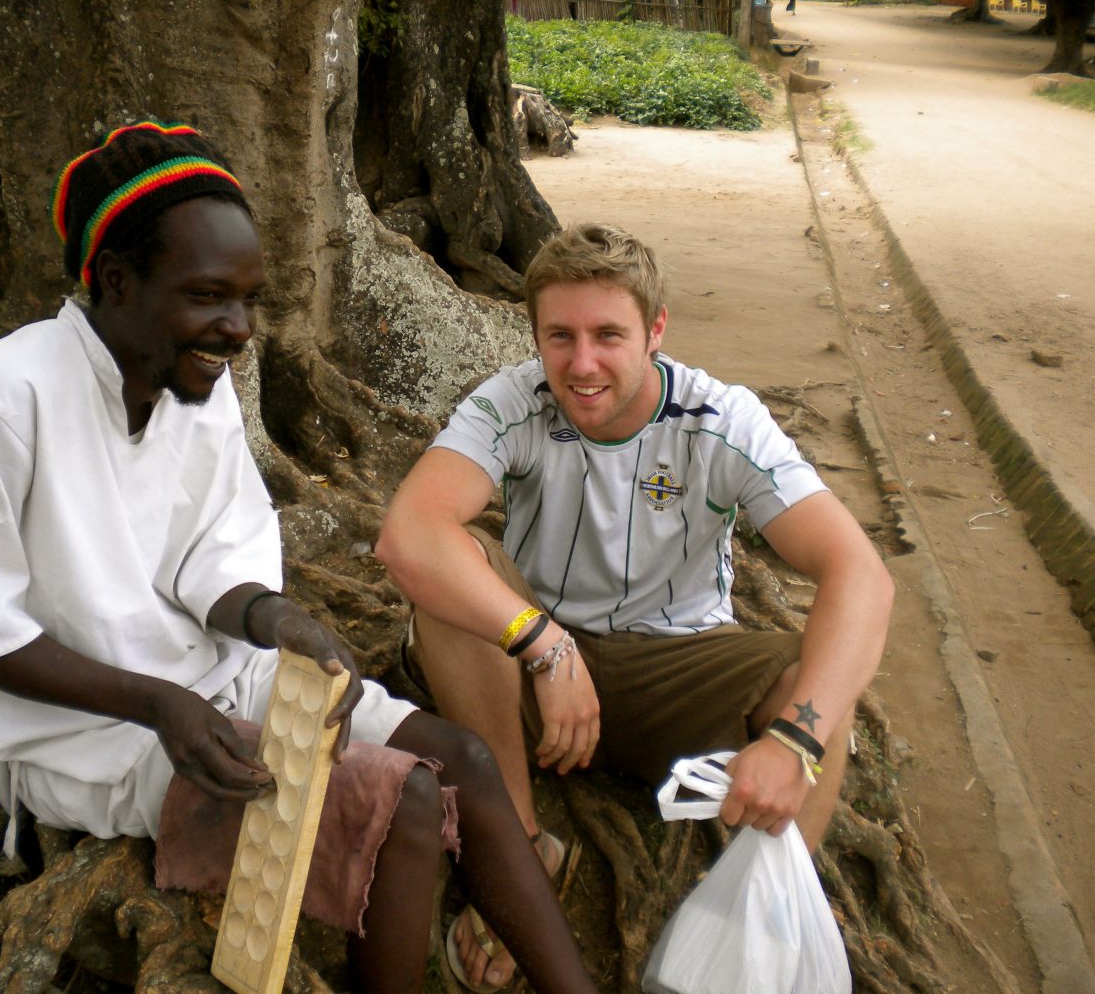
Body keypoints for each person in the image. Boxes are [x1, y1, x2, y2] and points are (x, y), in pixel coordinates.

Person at [0, 122, 598, 993]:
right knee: (403, 802)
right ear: (115, 281)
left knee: (463, 761)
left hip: (208, 680)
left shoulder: (191, 379)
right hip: (84, 725)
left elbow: (211, 556)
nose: (237, 329)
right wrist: (160, 704)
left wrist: (278, 619)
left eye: (249, 300)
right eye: (208, 297)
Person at [376, 222, 892, 991]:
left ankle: (757, 919)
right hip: (530, 671)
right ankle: (519, 852)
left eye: (608, 335)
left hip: (679, 669)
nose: (582, 364)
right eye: (560, 336)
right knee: (456, 581)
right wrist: (543, 644)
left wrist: (797, 741)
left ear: (656, 329)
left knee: (817, 691)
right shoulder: (512, 402)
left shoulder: (722, 421)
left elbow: (860, 572)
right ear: (535, 335)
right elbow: (408, 533)